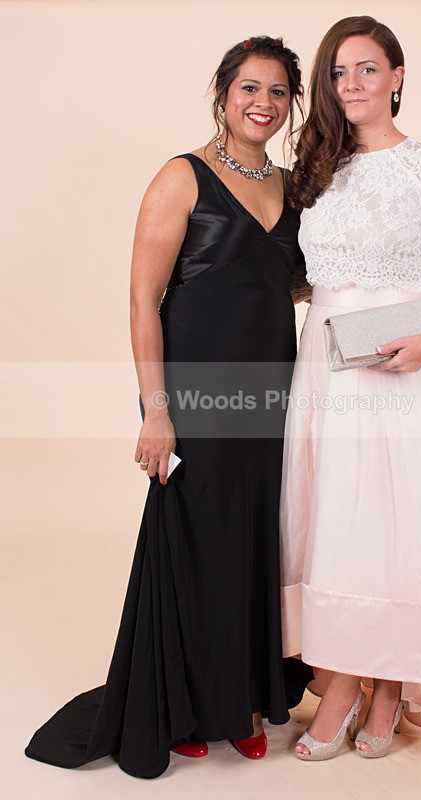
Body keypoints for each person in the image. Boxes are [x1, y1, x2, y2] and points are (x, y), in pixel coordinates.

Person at [25, 35, 312, 779]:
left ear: (291, 104)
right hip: (195, 397)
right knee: (196, 544)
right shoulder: (181, 176)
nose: (263, 103)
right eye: (249, 87)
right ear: (223, 93)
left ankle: (246, 700)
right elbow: (142, 300)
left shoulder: (292, 187)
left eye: (278, 91)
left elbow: (293, 285)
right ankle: (185, 706)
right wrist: (156, 411)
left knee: (257, 541)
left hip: (271, 398)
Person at [280, 16, 421, 761]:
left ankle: (385, 686)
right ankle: (343, 680)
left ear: (398, 77)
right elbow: (307, 278)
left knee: (398, 527)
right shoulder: (317, 170)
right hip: (326, 366)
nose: (351, 86)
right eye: (338, 73)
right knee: (338, 523)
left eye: (367, 69)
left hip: (401, 370)